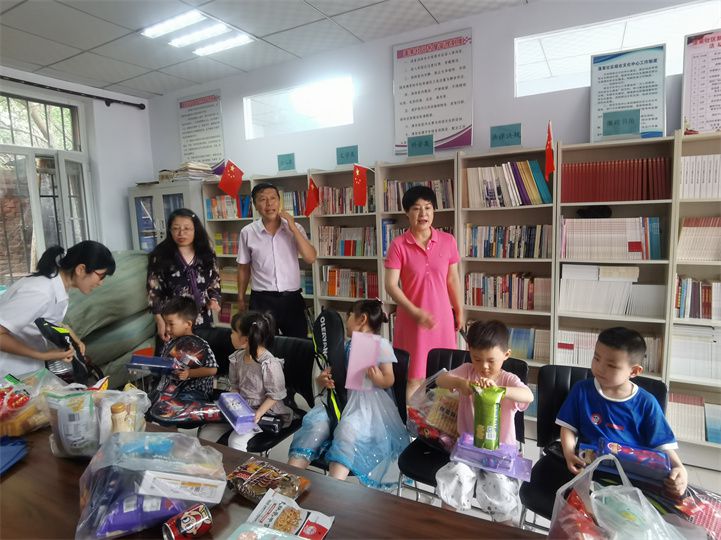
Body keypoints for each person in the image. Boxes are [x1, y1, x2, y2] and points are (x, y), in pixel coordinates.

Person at [288, 299, 409, 490]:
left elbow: (389, 379)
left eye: (349, 316)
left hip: (365, 406)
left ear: (362, 319)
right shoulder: (343, 345)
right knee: (316, 423)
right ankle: (289, 479)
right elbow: (331, 372)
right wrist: (323, 379)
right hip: (338, 400)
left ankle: (334, 487)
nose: (346, 321)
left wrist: (378, 379)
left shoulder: (381, 345)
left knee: (347, 430)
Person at [557, 326, 688, 498]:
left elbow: (662, 446)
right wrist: (568, 453)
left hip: (630, 477)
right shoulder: (582, 390)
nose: (600, 368)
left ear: (634, 371)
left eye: (611, 365)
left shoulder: (646, 403)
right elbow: (568, 427)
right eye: (596, 358)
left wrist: (679, 467)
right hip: (588, 469)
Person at [434, 320, 533, 523]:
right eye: (477, 359)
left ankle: (506, 529)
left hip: (499, 452)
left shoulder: (508, 379)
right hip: (468, 448)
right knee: (456, 478)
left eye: (491, 361)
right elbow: (440, 380)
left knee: (501, 491)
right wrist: (460, 383)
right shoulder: (468, 371)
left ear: (506, 354)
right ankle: (445, 524)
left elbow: (528, 396)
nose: (484, 367)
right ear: (469, 352)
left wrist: (500, 391)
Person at [384, 185, 463, 401]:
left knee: (447, 376)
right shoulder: (398, 245)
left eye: (428, 207)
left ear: (434, 210)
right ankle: (413, 422)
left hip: (442, 319)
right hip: (412, 321)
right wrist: (415, 312)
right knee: (414, 378)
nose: (423, 214)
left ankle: (441, 420)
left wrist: (459, 310)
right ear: (407, 213)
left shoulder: (448, 241)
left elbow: (452, 279)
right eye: (416, 208)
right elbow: (391, 285)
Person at [0, 241, 115, 377]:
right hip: (7, 372)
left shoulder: (57, 287)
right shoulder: (41, 292)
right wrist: (42, 355)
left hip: (26, 371)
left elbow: (43, 321)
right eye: (101, 276)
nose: (101, 283)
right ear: (81, 269)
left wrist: (71, 336)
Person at [147, 208, 232, 373]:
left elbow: (214, 280)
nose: (181, 233)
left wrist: (214, 299)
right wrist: (160, 321)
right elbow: (153, 290)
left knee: (199, 363)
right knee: (171, 366)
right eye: (176, 228)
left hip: (201, 318)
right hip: (172, 321)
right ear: (170, 230)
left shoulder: (206, 252)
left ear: (195, 230)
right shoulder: (160, 254)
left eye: (187, 228)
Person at [199, 311, 293, 451]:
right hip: (241, 409)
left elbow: (275, 395)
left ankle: (241, 466)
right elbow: (235, 386)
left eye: (233, 332)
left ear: (245, 340)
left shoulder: (269, 364)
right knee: (206, 433)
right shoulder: (236, 358)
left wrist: (258, 413)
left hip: (264, 412)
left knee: (236, 442)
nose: (230, 335)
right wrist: (230, 403)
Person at [237, 182, 316, 338]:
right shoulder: (247, 232)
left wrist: (293, 228)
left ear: (279, 202)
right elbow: (243, 268)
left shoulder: (295, 228)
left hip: (292, 300)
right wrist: (240, 298)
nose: (269, 203)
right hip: (261, 300)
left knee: (297, 345)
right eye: (262, 199)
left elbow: (311, 257)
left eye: (273, 198)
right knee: (262, 345)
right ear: (255, 205)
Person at [155, 297, 218, 402]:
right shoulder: (170, 343)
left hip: (195, 393)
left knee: (172, 404)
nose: (167, 328)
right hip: (173, 390)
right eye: (165, 324)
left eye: (171, 324)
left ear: (188, 324)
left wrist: (189, 373)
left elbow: (212, 370)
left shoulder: (201, 346)